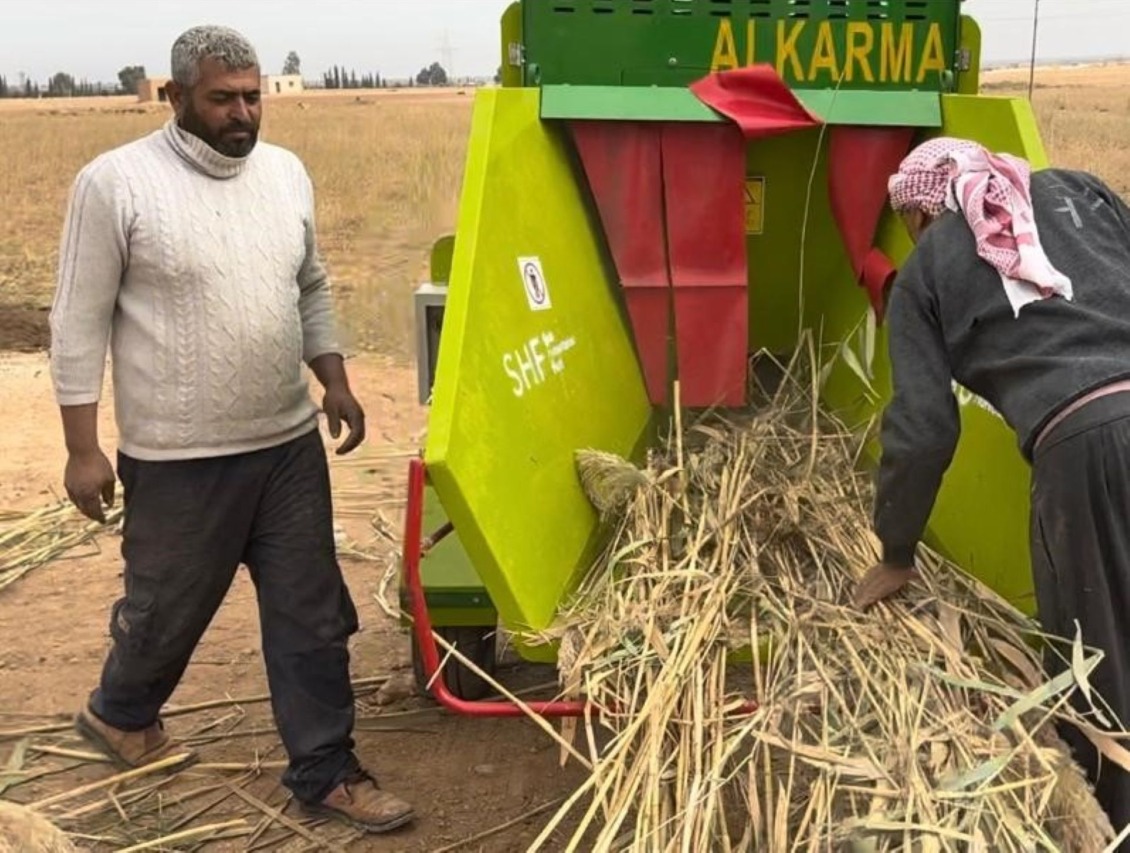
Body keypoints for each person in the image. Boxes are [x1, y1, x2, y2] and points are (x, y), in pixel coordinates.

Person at [48, 24, 414, 835]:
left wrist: (336, 378)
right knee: (166, 612)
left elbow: (309, 282)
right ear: (175, 97)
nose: (243, 112)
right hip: (178, 458)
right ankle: (121, 711)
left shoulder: (284, 175)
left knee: (313, 615)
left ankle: (326, 771)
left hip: (286, 446)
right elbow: (76, 322)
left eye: (254, 95)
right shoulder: (116, 184)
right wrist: (81, 448)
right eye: (222, 98)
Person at [852, 136, 1130, 836]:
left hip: (1085, 447)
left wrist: (896, 548)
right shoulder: (1081, 188)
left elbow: (923, 429)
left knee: (1096, 666)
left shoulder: (925, 273)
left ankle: (1114, 824)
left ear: (920, 214)